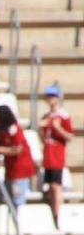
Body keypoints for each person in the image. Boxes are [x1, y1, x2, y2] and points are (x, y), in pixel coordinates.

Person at [0, 105, 36, 208]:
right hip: (10, 169)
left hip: (19, 169)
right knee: (8, 197)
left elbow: (18, 149)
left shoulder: (14, 129)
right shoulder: (2, 131)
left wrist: (1, 150)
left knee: (17, 197)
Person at [40, 84, 72, 215]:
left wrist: (58, 128)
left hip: (57, 155)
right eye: (48, 97)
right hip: (48, 154)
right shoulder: (46, 116)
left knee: (56, 185)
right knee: (48, 187)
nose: (50, 100)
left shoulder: (63, 116)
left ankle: (58, 213)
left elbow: (70, 136)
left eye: (52, 96)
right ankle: (52, 213)